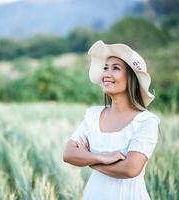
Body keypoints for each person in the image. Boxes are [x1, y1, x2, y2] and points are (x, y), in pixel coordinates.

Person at [63, 40, 160, 200]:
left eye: (115, 68)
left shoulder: (146, 121)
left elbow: (131, 169)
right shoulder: (92, 115)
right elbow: (68, 153)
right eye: (105, 68)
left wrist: (89, 159)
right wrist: (102, 157)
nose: (106, 74)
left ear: (131, 77)